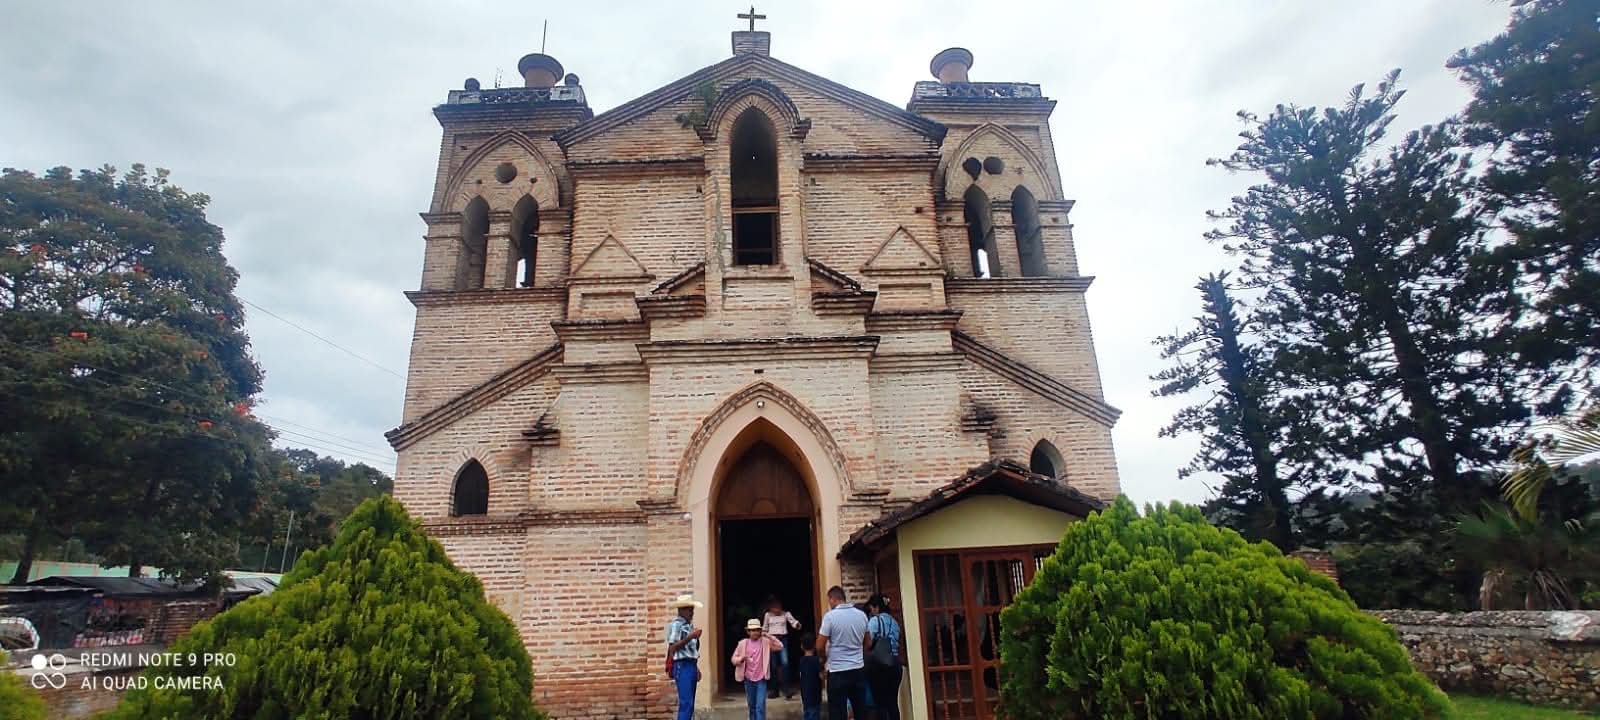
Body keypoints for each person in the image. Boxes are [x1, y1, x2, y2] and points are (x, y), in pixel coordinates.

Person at [816, 585, 869, 720]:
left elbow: (820, 645)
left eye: (829, 601)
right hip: (858, 670)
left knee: (837, 713)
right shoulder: (861, 615)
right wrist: (858, 655)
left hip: (837, 672)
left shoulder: (830, 617)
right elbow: (868, 642)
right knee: (860, 711)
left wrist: (823, 660)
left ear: (833, 599)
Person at [665, 594, 704, 720]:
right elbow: (672, 648)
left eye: (692, 609)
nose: (691, 612)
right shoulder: (677, 625)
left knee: (690, 704)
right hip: (682, 665)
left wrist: (696, 667)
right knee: (686, 703)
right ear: (681, 610)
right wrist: (690, 637)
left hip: (690, 665)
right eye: (688, 609)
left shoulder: (689, 626)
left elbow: (690, 651)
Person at [865, 594, 903, 720]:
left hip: (879, 666)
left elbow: (868, 642)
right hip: (895, 665)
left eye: (871, 608)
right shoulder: (895, 622)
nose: (871, 611)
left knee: (880, 703)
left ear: (876, 608)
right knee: (892, 703)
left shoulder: (875, 621)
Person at [762, 594, 801, 699]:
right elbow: (764, 629)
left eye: (778, 605)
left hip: (782, 640)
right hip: (772, 640)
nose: (777, 608)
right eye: (774, 606)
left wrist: (797, 625)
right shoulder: (768, 615)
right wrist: (766, 639)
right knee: (773, 665)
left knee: (785, 663)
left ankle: (786, 689)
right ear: (770, 607)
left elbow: (793, 622)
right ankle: (774, 690)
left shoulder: (785, 614)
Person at [797, 632, 823, 720]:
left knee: (807, 713)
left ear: (802, 646)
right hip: (815, 695)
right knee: (814, 714)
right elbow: (821, 676)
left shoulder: (801, 660)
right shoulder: (816, 661)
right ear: (815, 645)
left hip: (805, 694)